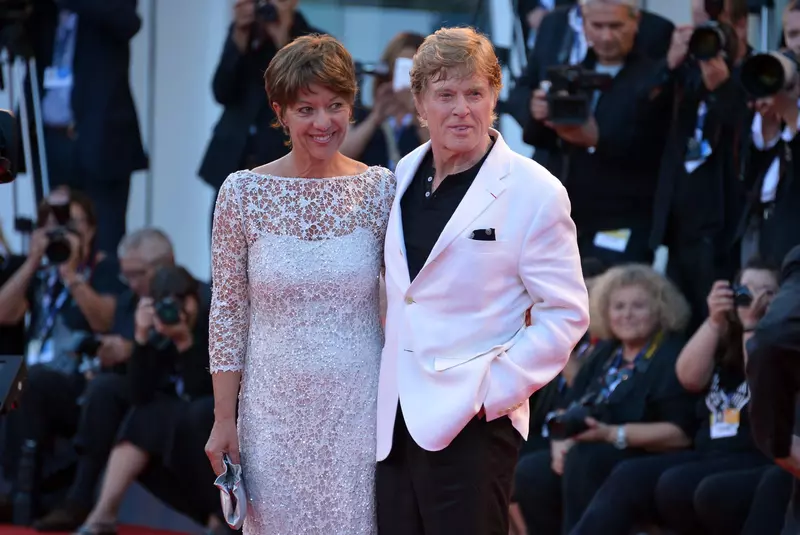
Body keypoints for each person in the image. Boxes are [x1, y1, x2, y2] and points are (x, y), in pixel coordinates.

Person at [376, 27, 590, 535]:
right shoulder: (402, 172)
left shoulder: (536, 190)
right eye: (445, 95)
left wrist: (493, 392)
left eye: (475, 94)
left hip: (474, 425)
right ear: (420, 100)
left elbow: (565, 314)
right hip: (395, 422)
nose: (461, 109)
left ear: (494, 97)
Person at [204, 34, 395, 535]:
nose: (323, 122)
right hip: (271, 411)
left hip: (359, 407)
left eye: (335, 105)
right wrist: (225, 419)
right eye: (306, 109)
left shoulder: (379, 189)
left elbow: (404, 298)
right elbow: (226, 314)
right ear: (280, 112)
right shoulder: (242, 193)